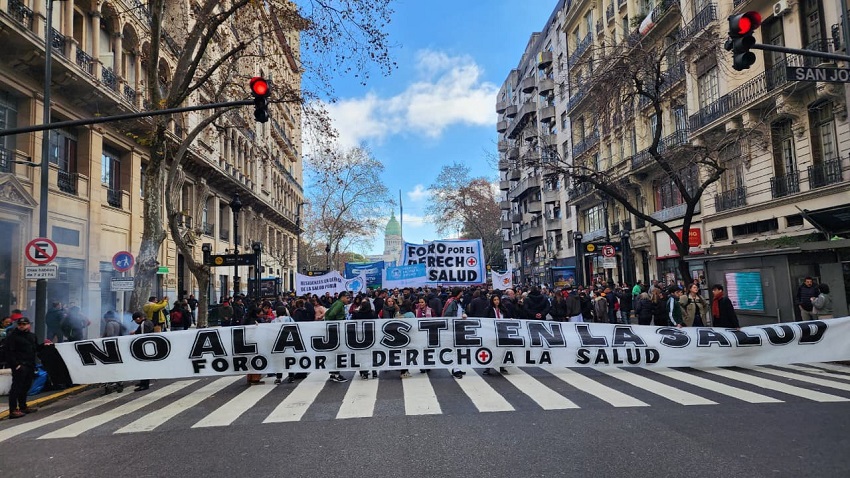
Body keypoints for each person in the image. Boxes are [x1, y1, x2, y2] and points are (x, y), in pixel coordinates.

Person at [6, 317, 46, 418]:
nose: (22, 326)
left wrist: (45, 345)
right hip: (20, 365)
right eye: (20, 324)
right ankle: (13, 410)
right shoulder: (13, 337)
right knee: (16, 387)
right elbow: (9, 352)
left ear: (28, 325)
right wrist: (16, 365)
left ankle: (23, 406)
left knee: (26, 386)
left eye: (24, 324)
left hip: (30, 364)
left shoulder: (32, 336)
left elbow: (36, 348)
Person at [441, 288, 467, 378]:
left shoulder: (458, 302)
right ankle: (455, 369)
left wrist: (463, 314)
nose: (462, 294)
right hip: (453, 328)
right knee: (455, 349)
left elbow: (460, 311)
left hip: (459, 327)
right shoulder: (452, 302)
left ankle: (457, 368)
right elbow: (447, 315)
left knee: (458, 349)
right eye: (461, 293)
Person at [324, 292, 350, 383]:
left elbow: (328, 314)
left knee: (335, 352)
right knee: (338, 353)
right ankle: (336, 374)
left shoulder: (338, 303)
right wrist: (337, 323)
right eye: (347, 298)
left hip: (334, 330)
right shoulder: (339, 304)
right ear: (342, 297)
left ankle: (333, 373)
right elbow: (331, 315)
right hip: (336, 331)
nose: (348, 300)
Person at [131, 311, 154, 391]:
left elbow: (143, 337)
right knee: (144, 366)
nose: (135, 322)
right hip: (149, 347)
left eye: (135, 320)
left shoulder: (144, 324)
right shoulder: (148, 322)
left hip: (144, 348)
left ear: (138, 318)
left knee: (144, 366)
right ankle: (143, 382)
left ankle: (145, 384)